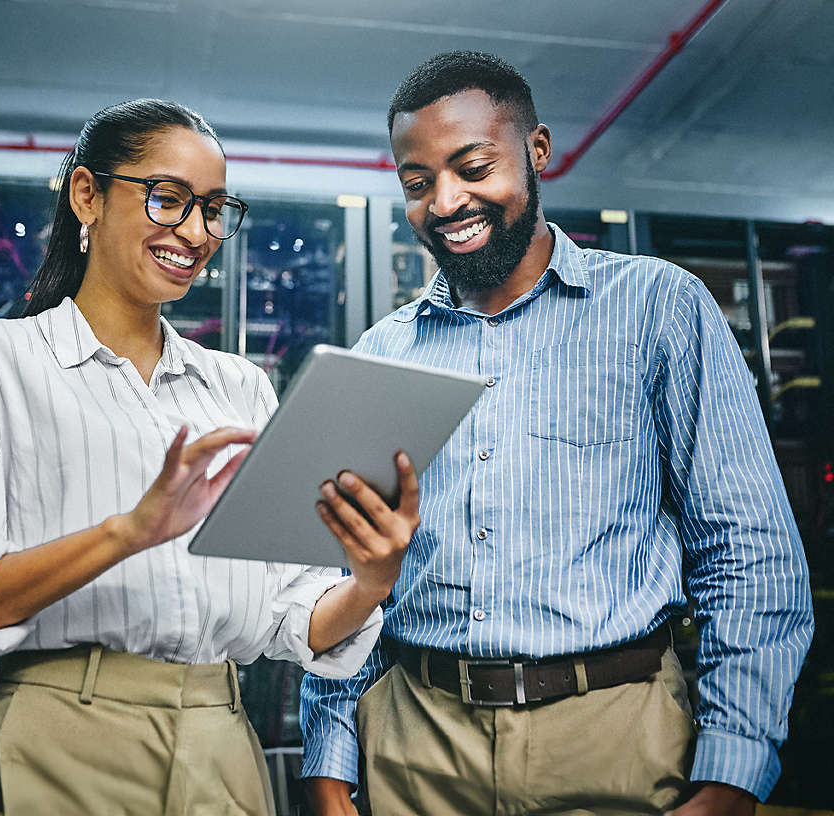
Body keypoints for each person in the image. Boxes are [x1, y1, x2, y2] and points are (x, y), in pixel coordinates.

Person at [300, 51, 813, 816]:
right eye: (418, 183)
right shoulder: (382, 352)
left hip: (616, 738)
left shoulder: (656, 308)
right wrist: (329, 764)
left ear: (537, 152)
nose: (447, 200)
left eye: (474, 166)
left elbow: (748, 555)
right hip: (414, 745)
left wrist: (732, 773)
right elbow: (349, 581)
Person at [0, 98, 420, 816]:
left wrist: (372, 577)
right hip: (55, 739)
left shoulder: (241, 388)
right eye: (169, 200)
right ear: (87, 196)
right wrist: (128, 532)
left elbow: (293, 619)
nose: (196, 232)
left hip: (221, 743)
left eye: (215, 209)